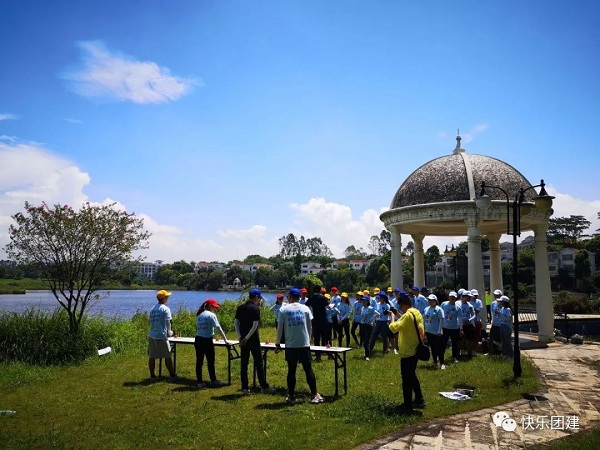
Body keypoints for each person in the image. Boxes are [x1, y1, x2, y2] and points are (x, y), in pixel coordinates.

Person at [276, 288, 324, 404]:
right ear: (299, 297)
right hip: (304, 344)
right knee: (308, 369)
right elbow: (310, 327)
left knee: (291, 370)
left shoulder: (283, 309)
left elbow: (280, 329)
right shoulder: (305, 308)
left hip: (291, 345)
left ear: (290, 297)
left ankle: (291, 396)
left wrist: (278, 343)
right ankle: (314, 394)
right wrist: (309, 339)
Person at [389, 291, 426, 410]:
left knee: (406, 379)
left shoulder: (407, 316)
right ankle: (420, 399)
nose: (401, 308)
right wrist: (399, 314)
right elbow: (408, 322)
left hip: (407, 351)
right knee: (412, 376)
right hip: (415, 348)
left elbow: (393, 328)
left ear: (404, 304)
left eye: (401, 306)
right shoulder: (416, 313)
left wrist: (392, 316)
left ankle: (407, 405)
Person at [235, 288, 273, 395]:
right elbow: (255, 325)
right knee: (259, 363)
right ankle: (264, 386)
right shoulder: (255, 309)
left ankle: (244, 388)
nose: (260, 300)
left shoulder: (240, 307)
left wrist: (240, 337)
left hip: (243, 340)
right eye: (259, 298)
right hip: (253, 340)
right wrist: (247, 338)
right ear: (256, 297)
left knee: (244, 364)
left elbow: (236, 323)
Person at [195, 298, 229, 388]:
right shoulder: (211, 315)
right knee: (210, 361)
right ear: (210, 306)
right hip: (207, 340)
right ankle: (213, 380)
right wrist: (225, 340)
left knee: (199, 361)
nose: (215, 309)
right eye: (214, 307)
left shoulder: (200, 315)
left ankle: (199, 382)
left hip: (198, 339)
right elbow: (219, 328)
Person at [147, 289, 177, 380]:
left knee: (152, 356)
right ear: (163, 298)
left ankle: (152, 375)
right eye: (167, 297)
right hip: (161, 335)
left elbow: (150, 321)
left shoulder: (153, 308)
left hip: (152, 334)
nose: (168, 298)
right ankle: (172, 375)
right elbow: (168, 322)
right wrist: (170, 332)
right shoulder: (166, 309)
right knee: (167, 355)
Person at [305, 287, 329, 361]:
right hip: (323, 319)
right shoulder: (323, 298)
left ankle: (318, 356)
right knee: (324, 337)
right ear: (320, 291)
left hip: (315, 320)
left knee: (316, 338)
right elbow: (328, 306)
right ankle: (326, 352)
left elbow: (306, 305)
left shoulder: (311, 298)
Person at [440, 291, 463, 365]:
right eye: (451, 297)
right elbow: (440, 314)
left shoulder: (458, 307)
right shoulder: (444, 304)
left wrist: (461, 329)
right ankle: (441, 357)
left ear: (456, 298)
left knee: (454, 343)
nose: (452, 298)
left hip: (454, 327)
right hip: (445, 327)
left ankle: (454, 356)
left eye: (453, 297)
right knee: (443, 343)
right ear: (449, 297)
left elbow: (460, 318)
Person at [423, 294, 445, 369]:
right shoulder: (426, 309)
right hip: (428, 331)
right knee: (432, 347)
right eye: (429, 300)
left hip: (436, 332)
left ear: (435, 301)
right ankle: (435, 361)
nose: (430, 302)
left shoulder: (439, 309)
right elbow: (424, 319)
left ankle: (442, 363)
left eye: (432, 300)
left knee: (439, 348)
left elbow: (441, 319)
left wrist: (440, 330)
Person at [368, 292, 391, 357]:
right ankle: (370, 349)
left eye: (380, 297)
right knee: (374, 336)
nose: (379, 298)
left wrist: (382, 313)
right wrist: (373, 320)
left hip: (384, 322)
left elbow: (387, 313)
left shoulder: (387, 305)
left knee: (384, 337)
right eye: (379, 297)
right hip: (378, 322)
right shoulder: (377, 304)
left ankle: (384, 350)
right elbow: (375, 313)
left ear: (383, 298)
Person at [361, 295, 379, 360]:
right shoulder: (362, 308)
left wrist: (371, 319)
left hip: (369, 325)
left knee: (366, 341)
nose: (363, 302)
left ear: (367, 301)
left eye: (364, 300)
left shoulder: (371, 308)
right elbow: (362, 316)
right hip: (363, 325)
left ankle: (367, 356)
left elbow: (377, 314)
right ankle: (366, 352)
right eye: (362, 300)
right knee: (364, 341)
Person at [458, 290, 476, 357]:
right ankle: (459, 351)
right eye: (468, 297)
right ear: (463, 297)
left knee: (470, 339)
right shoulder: (458, 304)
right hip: (460, 324)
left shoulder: (470, 305)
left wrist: (469, 320)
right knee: (460, 339)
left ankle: (469, 352)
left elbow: (474, 315)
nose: (469, 298)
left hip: (468, 324)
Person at [489, 289, 504, 354]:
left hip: (501, 324)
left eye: (497, 295)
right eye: (495, 295)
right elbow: (492, 312)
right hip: (494, 323)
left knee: (501, 338)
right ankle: (490, 351)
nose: (496, 296)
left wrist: (500, 313)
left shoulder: (503, 303)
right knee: (491, 337)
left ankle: (501, 351)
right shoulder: (493, 303)